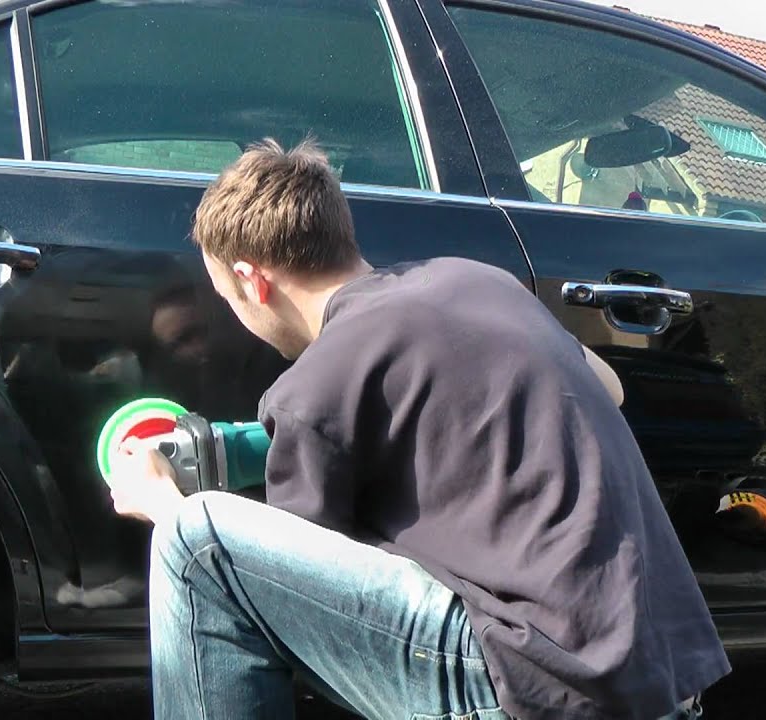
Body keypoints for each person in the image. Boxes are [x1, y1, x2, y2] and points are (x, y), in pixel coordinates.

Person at [108, 137, 730, 720]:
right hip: (665, 681)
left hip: (541, 689)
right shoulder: (480, 281)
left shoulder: (315, 385)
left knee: (199, 543)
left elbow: (300, 596)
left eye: (227, 297)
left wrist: (165, 506)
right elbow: (609, 388)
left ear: (252, 279)